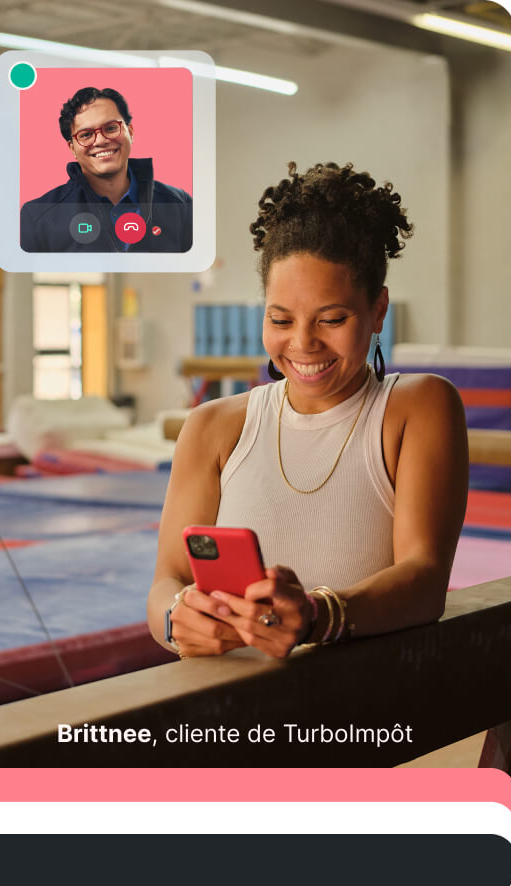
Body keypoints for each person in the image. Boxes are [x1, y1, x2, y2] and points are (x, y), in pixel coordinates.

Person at [148, 161, 468, 659]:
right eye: (280, 318)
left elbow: (425, 579)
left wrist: (316, 616)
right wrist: (178, 618)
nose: (302, 344)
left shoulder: (417, 408)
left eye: (332, 319)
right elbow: (166, 581)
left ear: (378, 309)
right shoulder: (212, 427)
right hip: (226, 717)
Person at [20, 87, 192, 253]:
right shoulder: (38, 217)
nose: (101, 141)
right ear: (72, 148)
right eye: (86, 135)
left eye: (111, 128)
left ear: (130, 132)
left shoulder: (179, 205)